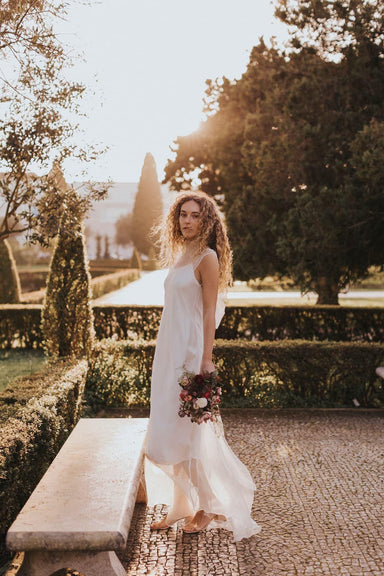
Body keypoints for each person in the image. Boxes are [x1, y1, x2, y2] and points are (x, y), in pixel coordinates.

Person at [145, 190, 261, 540]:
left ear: (207, 220)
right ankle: (181, 504)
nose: (188, 220)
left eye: (195, 215)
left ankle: (206, 505)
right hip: (168, 351)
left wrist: (206, 359)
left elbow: (210, 313)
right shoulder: (181, 255)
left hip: (190, 353)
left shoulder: (206, 258)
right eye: (183, 214)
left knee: (191, 432)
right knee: (168, 426)